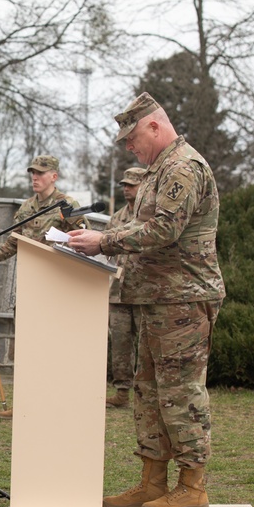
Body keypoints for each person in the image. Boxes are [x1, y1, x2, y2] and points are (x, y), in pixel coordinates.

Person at [67, 92, 225, 507]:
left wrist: (104, 242)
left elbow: (164, 228)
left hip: (183, 300)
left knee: (180, 391)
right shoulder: (158, 170)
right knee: (150, 392)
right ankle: (152, 483)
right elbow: (144, 225)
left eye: (132, 138)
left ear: (155, 126)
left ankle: (192, 487)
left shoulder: (183, 167)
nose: (128, 147)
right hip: (156, 299)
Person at [0, 154, 85, 419]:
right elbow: (10, 245)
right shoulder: (27, 208)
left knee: (53, 348)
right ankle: (27, 405)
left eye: (41, 173)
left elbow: (82, 238)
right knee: (28, 348)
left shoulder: (67, 205)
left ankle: (57, 403)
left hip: (56, 286)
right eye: (33, 173)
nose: (35, 177)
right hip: (28, 286)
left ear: (54, 176)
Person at [105, 166, 147, 409]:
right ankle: (122, 392)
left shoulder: (151, 217)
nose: (126, 189)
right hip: (119, 291)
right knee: (120, 344)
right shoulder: (117, 218)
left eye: (131, 184)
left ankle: (146, 392)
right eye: (124, 185)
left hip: (144, 291)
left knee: (147, 345)